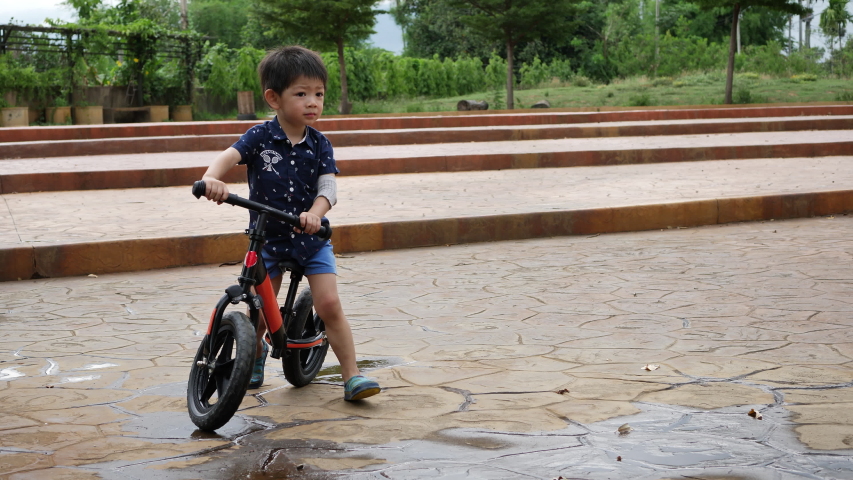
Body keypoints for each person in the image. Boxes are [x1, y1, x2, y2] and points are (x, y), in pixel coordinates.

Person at [198, 45, 380, 402]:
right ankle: (254, 353)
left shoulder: (320, 144)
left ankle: (352, 374)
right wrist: (212, 178)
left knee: (329, 305)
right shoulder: (259, 137)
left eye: (319, 94)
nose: (312, 102)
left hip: (311, 240)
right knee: (258, 307)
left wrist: (317, 211)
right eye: (301, 94)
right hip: (268, 239)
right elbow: (228, 157)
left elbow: (328, 186)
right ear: (274, 98)